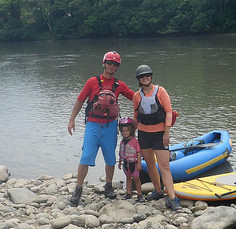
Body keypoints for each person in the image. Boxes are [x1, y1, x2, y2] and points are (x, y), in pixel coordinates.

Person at [67, 51, 134, 206]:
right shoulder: (92, 82)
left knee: (110, 157)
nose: (111, 66)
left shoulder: (119, 85)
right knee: (86, 156)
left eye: (115, 64)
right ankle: (78, 189)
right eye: (109, 63)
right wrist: (71, 120)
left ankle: (108, 187)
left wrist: (152, 94)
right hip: (92, 125)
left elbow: (135, 97)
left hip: (110, 126)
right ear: (104, 63)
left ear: (117, 67)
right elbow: (80, 100)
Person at [132, 64, 181, 211]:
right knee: (150, 163)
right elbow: (136, 116)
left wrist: (167, 132)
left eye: (147, 75)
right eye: (142, 76)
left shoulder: (161, 91)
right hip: (144, 134)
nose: (145, 78)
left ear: (151, 76)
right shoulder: (136, 96)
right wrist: (132, 136)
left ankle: (172, 198)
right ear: (139, 79)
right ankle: (158, 191)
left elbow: (168, 112)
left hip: (160, 134)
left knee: (164, 166)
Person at [117, 117, 143, 201]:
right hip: (125, 163)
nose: (125, 133)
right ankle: (128, 193)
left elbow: (138, 152)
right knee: (128, 178)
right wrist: (119, 162)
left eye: (127, 131)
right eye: (123, 131)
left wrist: (139, 164)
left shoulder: (135, 141)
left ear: (131, 131)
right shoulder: (122, 142)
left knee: (136, 179)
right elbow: (121, 153)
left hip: (134, 163)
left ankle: (139, 194)